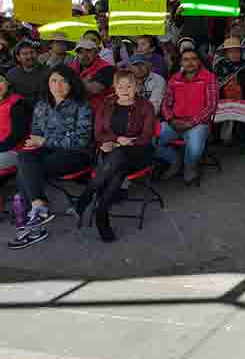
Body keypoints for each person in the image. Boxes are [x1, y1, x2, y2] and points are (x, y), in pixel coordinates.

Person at [8, 66, 93, 250]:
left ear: (72, 84)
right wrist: (35, 142)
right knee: (25, 156)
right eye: (53, 81)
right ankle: (37, 207)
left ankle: (30, 220)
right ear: (47, 83)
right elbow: (36, 134)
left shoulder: (81, 105)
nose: (58, 85)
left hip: (75, 155)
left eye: (63, 81)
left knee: (28, 171)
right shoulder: (42, 104)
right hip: (46, 152)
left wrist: (45, 141)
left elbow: (81, 140)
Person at [76, 70, 155, 242]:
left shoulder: (146, 106)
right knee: (118, 166)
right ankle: (101, 214)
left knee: (118, 158)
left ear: (137, 87)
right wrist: (113, 140)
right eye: (121, 86)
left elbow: (146, 136)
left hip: (139, 152)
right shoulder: (107, 104)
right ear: (114, 88)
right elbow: (98, 133)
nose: (125, 90)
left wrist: (119, 143)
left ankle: (88, 193)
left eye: (129, 86)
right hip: (113, 153)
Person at [156, 48, 219, 185]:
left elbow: (212, 106)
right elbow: (165, 103)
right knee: (149, 141)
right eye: (186, 59)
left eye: (193, 59)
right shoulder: (174, 79)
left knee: (195, 149)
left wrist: (191, 122)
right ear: (180, 62)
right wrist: (171, 120)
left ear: (199, 61)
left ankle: (189, 168)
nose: (190, 62)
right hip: (175, 121)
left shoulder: (209, 77)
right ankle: (175, 161)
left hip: (198, 123)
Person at [70, 38, 115, 116]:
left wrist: (71, 81)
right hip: (75, 112)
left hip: (99, 113)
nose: (84, 55)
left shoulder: (107, 68)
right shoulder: (72, 66)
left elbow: (95, 89)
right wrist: (84, 82)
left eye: (88, 51)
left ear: (96, 52)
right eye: (80, 52)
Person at [0, 73, 30, 173]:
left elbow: (17, 136)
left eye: (0, 81)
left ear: (7, 84)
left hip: (14, 150)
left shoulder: (17, 105)